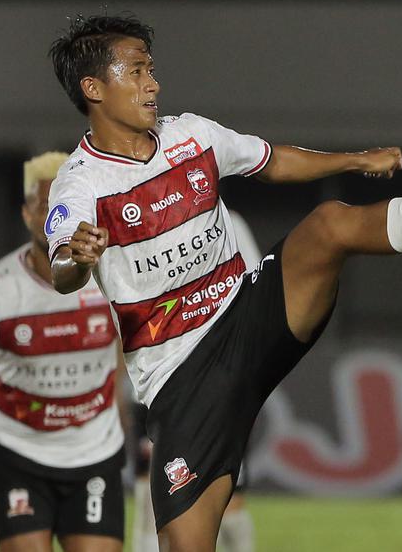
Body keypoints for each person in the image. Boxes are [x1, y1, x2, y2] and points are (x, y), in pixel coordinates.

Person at [44, 14, 402, 551]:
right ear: (94, 88)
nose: (153, 84)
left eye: (151, 70)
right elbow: (63, 267)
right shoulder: (81, 182)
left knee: (328, 227)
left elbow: (272, 161)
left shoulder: (192, 136)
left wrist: (353, 159)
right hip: (180, 378)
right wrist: (79, 257)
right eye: (136, 72)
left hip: (246, 315)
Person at [0, 152, 128, 552]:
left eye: (63, 208)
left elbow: (140, 346)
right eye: (44, 207)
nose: (55, 219)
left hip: (95, 453)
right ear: (26, 215)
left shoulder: (114, 277)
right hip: (17, 454)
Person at [130, 211, 263, 552]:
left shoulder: (228, 221)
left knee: (228, 496)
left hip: (217, 385)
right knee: (155, 496)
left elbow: (251, 293)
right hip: (156, 388)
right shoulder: (132, 223)